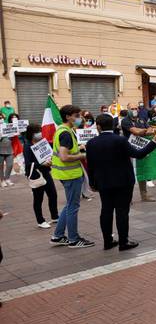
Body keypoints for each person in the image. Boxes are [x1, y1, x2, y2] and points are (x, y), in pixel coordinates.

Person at [86, 114, 156, 250]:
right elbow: (138, 154)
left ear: (98, 126)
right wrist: (154, 141)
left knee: (106, 210)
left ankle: (108, 241)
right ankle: (123, 241)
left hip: (103, 182)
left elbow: (90, 165)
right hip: (123, 182)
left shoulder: (91, 143)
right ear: (114, 126)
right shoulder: (120, 140)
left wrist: (92, 183)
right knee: (122, 211)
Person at [50, 105, 95, 248]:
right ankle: (74, 239)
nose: (79, 118)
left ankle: (57, 236)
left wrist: (79, 148)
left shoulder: (63, 130)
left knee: (69, 205)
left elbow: (65, 150)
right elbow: (64, 156)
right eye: (76, 115)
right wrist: (82, 155)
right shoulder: (65, 133)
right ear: (68, 116)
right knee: (73, 207)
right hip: (70, 174)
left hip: (65, 174)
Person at [23, 124, 59, 229]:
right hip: (36, 174)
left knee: (53, 194)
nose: (40, 133)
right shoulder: (27, 145)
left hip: (45, 172)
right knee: (38, 198)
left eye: (40, 131)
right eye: (37, 131)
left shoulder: (42, 142)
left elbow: (48, 154)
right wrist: (41, 164)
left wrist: (50, 160)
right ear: (31, 133)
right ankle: (40, 220)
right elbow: (28, 163)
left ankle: (55, 216)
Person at [121, 104, 156, 201]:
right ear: (127, 110)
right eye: (132, 109)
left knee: (142, 170)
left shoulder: (141, 119)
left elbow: (150, 129)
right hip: (128, 148)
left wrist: (144, 131)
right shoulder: (125, 121)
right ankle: (127, 197)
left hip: (141, 147)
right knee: (127, 172)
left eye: (135, 108)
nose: (134, 110)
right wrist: (146, 131)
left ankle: (144, 195)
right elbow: (135, 132)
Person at [0, 114, 14, 187]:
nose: (1, 119)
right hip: (0, 150)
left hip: (9, 149)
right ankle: (2, 180)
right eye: (0, 118)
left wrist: (16, 133)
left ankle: (7, 178)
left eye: (2, 118)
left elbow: (13, 132)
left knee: (10, 165)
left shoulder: (7, 125)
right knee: (1, 166)